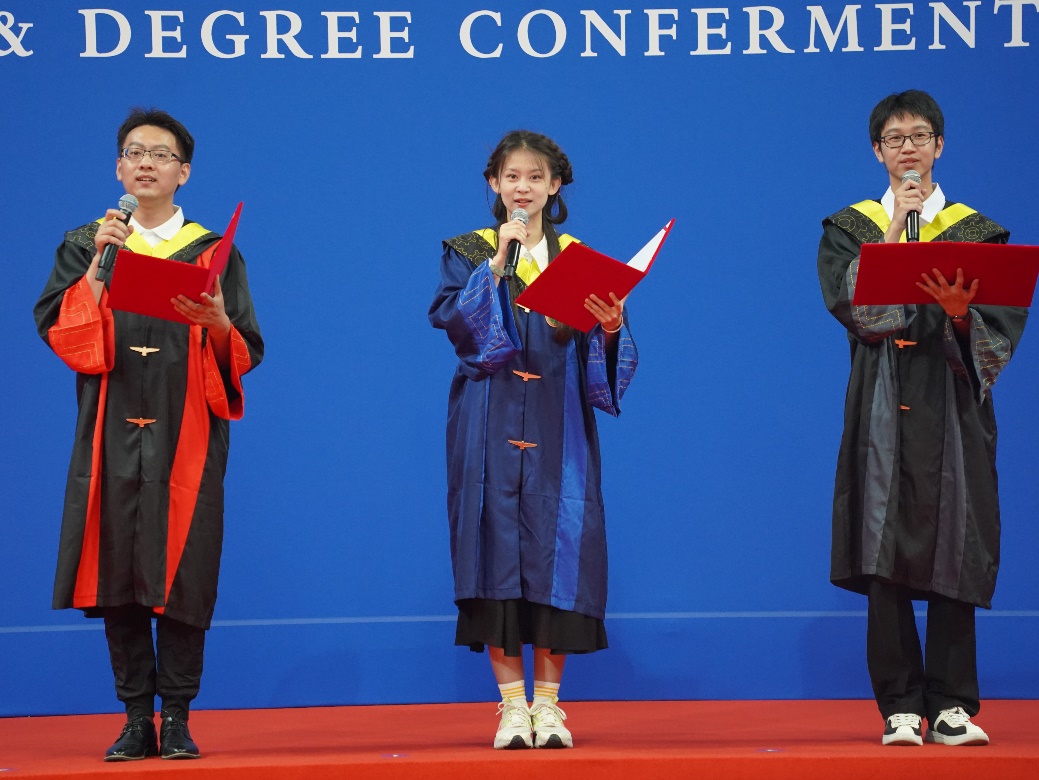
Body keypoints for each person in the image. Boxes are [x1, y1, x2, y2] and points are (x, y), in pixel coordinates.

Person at [33, 108, 263, 761]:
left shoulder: (214, 251)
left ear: (182, 172)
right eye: (134, 152)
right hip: (110, 430)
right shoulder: (88, 243)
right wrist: (98, 268)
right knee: (119, 569)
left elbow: (247, 346)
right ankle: (136, 717)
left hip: (187, 432)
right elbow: (63, 334)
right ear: (118, 168)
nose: (145, 163)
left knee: (185, 570)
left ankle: (179, 717)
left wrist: (217, 321)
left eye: (160, 155)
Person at [817, 90, 1027, 747]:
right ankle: (900, 705)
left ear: (939, 145)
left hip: (950, 401)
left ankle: (953, 704)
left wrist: (961, 315)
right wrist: (890, 237)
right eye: (894, 138)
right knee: (883, 549)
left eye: (918, 136)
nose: (907, 148)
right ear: (876, 152)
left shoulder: (977, 232)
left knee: (955, 543)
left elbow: (997, 329)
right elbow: (852, 309)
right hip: (881, 401)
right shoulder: (849, 229)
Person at [428, 130, 636, 749]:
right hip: (488, 421)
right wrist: (497, 265)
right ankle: (512, 707)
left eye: (536, 177)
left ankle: (549, 707)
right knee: (492, 546)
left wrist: (609, 327)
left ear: (555, 185)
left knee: (559, 549)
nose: (523, 187)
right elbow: (455, 326)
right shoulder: (469, 251)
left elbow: (604, 357)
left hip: (557, 422)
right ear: (494, 183)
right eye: (512, 176)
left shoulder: (578, 258)